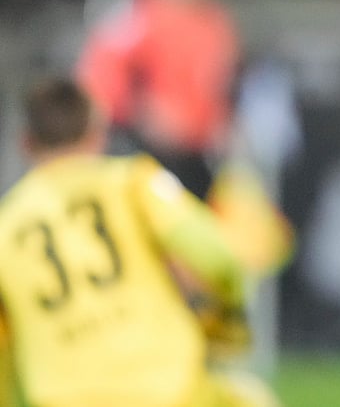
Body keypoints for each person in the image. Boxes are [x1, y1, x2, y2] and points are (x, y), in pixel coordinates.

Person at [0, 76, 278, 406]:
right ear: (97, 133)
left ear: (26, 142)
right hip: (165, 386)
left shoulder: (7, 224)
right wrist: (226, 315)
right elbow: (217, 256)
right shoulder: (133, 183)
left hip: (62, 396)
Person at [76, 0, 240, 201]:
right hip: (144, 157)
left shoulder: (217, 24)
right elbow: (98, 78)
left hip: (200, 160)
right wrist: (140, 111)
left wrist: (222, 123)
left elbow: (223, 89)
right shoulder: (137, 17)